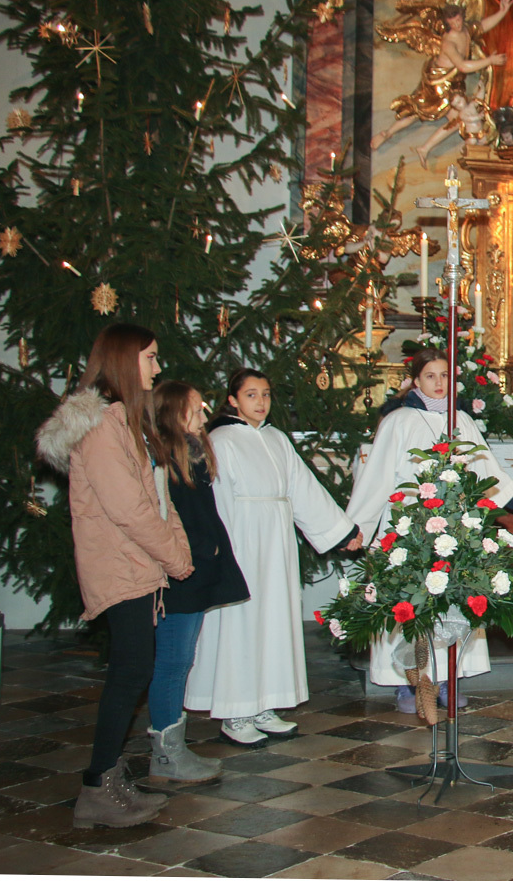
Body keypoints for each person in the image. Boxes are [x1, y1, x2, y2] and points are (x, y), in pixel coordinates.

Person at [36, 324, 192, 829]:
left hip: (139, 562)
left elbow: (157, 496)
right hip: (121, 563)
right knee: (130, 673)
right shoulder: (103, 427)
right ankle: (96, 788)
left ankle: (108, 778)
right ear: (125, 360)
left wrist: (176, 548)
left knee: (133, 670)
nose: (157, 367)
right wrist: (174, 557)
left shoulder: (125, 419)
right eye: (150, 357)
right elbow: (129, 509)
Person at [183, 370, 361, 745]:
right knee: (241, 622)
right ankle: (236, 712)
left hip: (276, 542)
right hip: (242, 540)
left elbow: (303, 488)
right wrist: (222, 552)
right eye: (251, 395)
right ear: (233, 400)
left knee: (273, 620)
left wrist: (342, 531)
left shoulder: (276, 438)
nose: (261, 402)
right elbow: (216, 501)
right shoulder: (221, 440)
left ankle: (264, 704)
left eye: (265, 394)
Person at [346, 348, 513, 712]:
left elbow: (487, 469)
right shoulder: (399, 420)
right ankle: (407, 681)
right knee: (408, 602)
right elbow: (376, 476)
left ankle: (446, 678)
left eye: (445, 375)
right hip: (409, 523)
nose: (439, 383)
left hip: (455, 525)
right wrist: (355, 528)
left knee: (453, 600)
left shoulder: (462, 420)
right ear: (416, 380)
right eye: (431, 376)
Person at [146, 381, 250, 782]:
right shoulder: (164, 461)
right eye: (195, 408)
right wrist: (200, 549)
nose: (204, 415)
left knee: (180, 659)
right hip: (178, 572)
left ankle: (172, 747)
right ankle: (166, 755)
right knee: (173, 661)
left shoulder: (192, 455)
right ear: (174, 413)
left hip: (196, 567)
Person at [371, 0, 513, 166]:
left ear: (462, 17)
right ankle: (388, 134)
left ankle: (424, 148)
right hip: (439, 83)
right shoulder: (448, 42)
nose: (457, 25)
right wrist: (489, 60)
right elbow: (462, 66)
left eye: (459, 20)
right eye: (453, 23)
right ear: (447, 23)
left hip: (454, 82)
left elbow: (483, 25)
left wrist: (502, 11)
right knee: (419, 110)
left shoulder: (466, 30)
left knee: (455, 120)